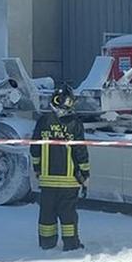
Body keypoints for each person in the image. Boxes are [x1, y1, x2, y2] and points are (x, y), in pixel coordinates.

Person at [31, 84, 89, 251]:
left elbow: (35, 148)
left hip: (47, 181)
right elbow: (80, 151)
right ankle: (71, 244)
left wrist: (37, 169)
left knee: (46, 214)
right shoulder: (75, 123)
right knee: (68, 215)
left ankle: (47, 243)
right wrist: (85, 173)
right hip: (69, 181)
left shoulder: (43, 121)